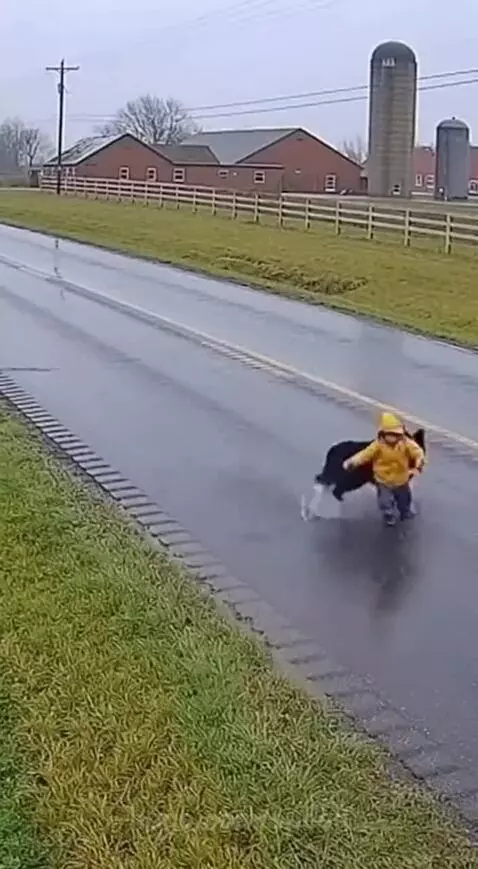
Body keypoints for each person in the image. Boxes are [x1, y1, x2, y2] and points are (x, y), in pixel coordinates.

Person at [342, 411, 425, 526]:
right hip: (383, 480)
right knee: (384, 501)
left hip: (401, 479)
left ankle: (405, 511)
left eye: (395, 435)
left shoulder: (406, 443)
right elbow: (365, 455)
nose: (393, 438)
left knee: (405, 498)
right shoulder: (377, 446)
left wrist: (419, 461)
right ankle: (388, 514)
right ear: (383, 434)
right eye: (390, 435)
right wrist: (352, 462)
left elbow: (417, 451)